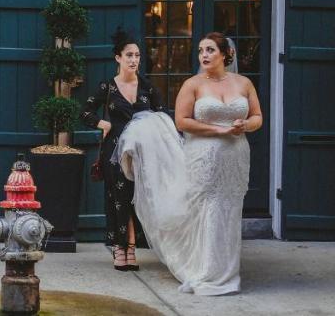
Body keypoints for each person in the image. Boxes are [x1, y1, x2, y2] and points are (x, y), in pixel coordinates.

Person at [112, 32, 264, 295]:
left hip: (235, 159)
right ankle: (204, 270)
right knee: (207, 210)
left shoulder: (244, 83)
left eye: (210, 50)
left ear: (226, 54)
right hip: (203, 157)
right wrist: (219, 130)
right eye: (201, 51)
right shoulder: (192, 85)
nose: (203, 55)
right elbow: (182, 122)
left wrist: (245, 125)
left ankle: (228, 271)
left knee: (229, 212)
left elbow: (257, 116)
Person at [80, 30, 165, 271]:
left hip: (142, 153)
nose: (134, 60)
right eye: (129, 55)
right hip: (115, 150)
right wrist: (103, 123)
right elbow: (85, 112)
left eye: (137, 55)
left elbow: (162, 119)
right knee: (118, 198)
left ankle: (131, 247)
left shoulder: (148, 87)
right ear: (118, 58)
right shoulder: (107, 86)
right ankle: (120, 247)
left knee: (137, 198)